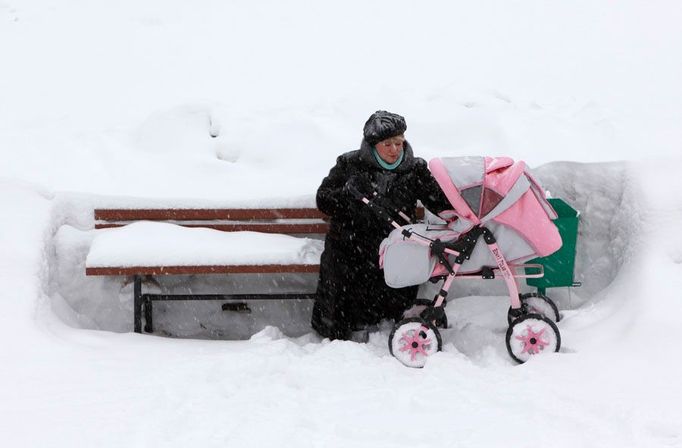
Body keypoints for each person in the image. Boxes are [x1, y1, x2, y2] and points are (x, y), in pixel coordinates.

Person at [311, 110, 449, 341]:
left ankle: (388, 322)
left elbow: (438, 202)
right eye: (388, 144)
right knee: (341, 266)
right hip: (351, 240)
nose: (395, 150)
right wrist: (346, 193)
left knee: (397, 263)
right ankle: (336, 331)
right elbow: (323, 200)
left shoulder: (414, 169)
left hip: (392, 241)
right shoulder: (349, 164)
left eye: (399, 142)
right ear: (373, 144)